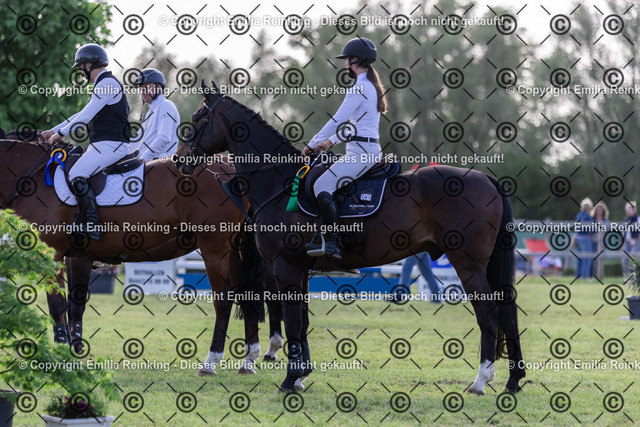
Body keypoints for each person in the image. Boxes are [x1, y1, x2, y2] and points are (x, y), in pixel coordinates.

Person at [302, 37, 387, 259]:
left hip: (362, 153)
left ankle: (333, 243)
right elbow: (353, 127)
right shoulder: (369, 86)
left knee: (321, 185)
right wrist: (330, 142)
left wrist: (312, 144)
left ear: (355, 60)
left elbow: (338, 119)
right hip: (362, 149)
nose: (345, 64)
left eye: (347, 59)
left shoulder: (360, 87)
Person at [42, 44, 130, 240]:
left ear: (89, 64)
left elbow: (86, 115)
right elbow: (81, 114)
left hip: (111, 145)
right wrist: (54, 130)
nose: (81, 72)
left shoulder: (107, 84)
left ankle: (92, 224)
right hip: (103, 144)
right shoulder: (102, 84)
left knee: (77, 173)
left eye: (81, 67)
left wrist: (61, 134)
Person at [132, 68, 179, 161]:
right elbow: (136, 140)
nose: (143, 92)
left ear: (159, 88)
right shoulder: (150, 111)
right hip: (149, 161)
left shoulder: (166, 105)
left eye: (147, 87)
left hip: (160, 163)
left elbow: (163, 138)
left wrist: (143, 158)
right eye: (141, 88)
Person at [574, 198, 595, 279]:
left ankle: (578, 276)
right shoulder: (588, 217)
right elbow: (592, 228)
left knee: (579, 259)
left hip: (578, 238)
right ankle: (584, 276)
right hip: (585, 239)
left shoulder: (579, 215)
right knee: (587, 258)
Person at [591, 201, 610, 278]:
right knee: (592, 259)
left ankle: (599, 276)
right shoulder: (592, 219)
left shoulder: (606, 220)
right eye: (597, 209)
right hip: (593, 241)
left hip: (602, 242)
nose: (599, 211)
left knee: (600, 259)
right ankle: (591, 276)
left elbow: (607, 230)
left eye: (600, 209)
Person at [622, 201, 640, 275]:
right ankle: (627, 276)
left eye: (630, 209)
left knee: (633, 257)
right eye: (627, 209)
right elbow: (624, 232)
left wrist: (635, 239)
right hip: (627, 241)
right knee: (624, 258)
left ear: (634, 209)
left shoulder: (638, 219)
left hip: (636, 241)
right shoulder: (626, 219)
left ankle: (634, 275)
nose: (628, 211)